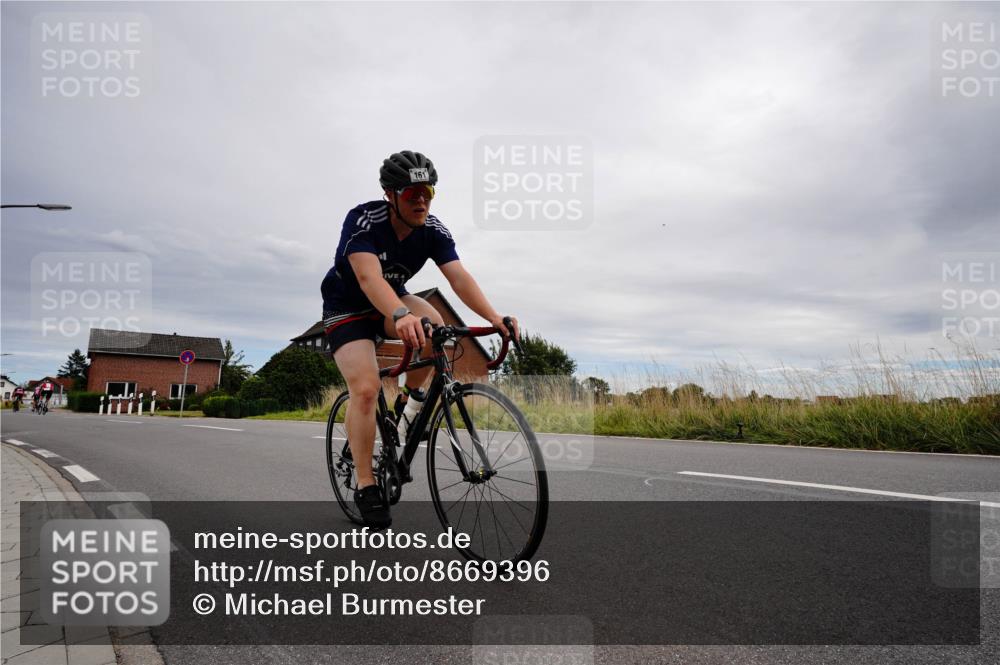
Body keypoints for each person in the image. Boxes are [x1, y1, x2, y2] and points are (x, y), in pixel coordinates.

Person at [321, 150, 519, 528]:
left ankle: (407, 410)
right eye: (412, 193)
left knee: (435, 325)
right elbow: (368, 279)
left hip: (391, 302)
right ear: (390, 194)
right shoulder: (364, 220)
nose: (422, 200)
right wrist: (399, 314)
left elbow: (458, 277)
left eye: (428, 190)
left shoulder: (433, 230)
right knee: (364, 388)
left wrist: (494, 318)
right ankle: (365, 485)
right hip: (348, 308)